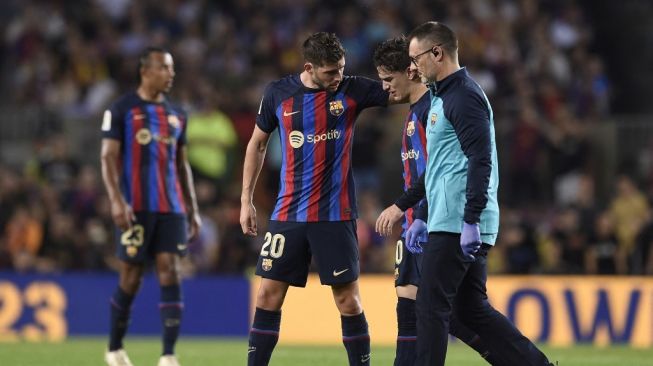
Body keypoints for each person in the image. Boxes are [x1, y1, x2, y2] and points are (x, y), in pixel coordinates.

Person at [375, 22, 554, 366]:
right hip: (447, 217)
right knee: (469, 310)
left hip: (459, 221)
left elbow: (481, 159)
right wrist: (416, 214)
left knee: (430, 306)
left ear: (437, 53)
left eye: (415, 59)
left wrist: (471, 218)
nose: (412, 68)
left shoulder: (464, 96)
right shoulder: (444, 96)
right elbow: (438, 169)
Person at [240, 32, 397, 366]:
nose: (338, 77)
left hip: (335, 216)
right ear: (309, 67)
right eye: (330, 72)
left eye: (341, 69)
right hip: (288, 214)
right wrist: (246, 200)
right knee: (268, 295)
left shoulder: (352, 89)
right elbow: (257, 143)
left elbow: (400, 93)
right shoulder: (278, 94)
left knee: (348, 301)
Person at [373, 36, 505, 366]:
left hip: (441, 220)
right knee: (456, 311)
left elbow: (446, 168)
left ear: (412, 70)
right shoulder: (423, 109)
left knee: (423, 308)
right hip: (429, 219)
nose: (386, 89)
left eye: (389, 79)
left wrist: (415, 212)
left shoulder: (437, 108)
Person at [100, 47, 202, 366]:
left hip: (170, 206)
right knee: (131, 276)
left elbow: (182, 165)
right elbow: (107, 157)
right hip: (136, 207)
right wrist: (117, 201)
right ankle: (114, 348)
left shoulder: (178, 114)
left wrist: (192, 207)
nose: (170, 73)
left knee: (171, 272)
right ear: (145, 71)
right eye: (164, 68)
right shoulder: (122, 109)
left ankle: (168, 355)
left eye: (171, 68)